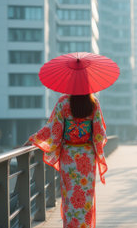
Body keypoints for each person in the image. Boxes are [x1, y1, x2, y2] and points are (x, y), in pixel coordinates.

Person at [24, 93, 107, 228]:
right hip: (87, 157)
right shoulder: (93, 103)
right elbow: (100, 134)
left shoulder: (63, 102)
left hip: (69, 157)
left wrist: (33, 139)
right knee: (86, 197)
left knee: (69, 197)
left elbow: (52, 129)